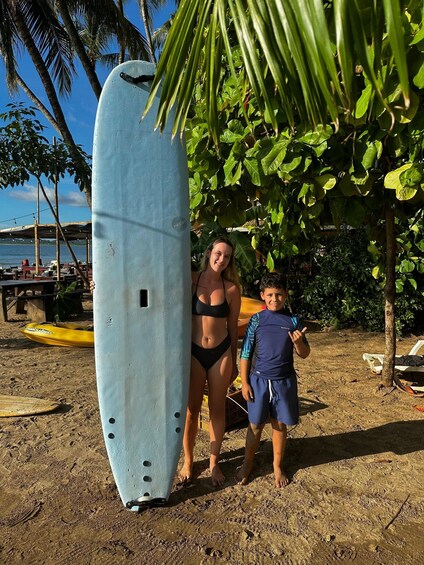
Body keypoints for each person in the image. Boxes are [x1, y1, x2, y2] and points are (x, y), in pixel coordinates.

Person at [236, 271, 310, 488]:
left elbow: (304, 354)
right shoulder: (257, 320)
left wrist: (298, 343)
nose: (274, 299)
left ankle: (277, 465)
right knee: (256, 425)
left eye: (278, 295)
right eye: (269, 295)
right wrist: (245, 382)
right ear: (262, 295)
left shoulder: (293, 320)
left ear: (285, 296)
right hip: (258, 381)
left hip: (284, 381)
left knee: (279, 424)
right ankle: (247, 463)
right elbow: (246, 352)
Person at [179, 236, 241, 487]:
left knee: (217, 410)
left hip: (221, 353)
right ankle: (188, 461)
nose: (221, 259)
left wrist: (234, 361)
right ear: (208, 253)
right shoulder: (191, 279)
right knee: (191, 411)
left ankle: (214, 462)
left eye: (226, 256)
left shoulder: (232, 289)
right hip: (193, 352)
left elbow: (233, 328)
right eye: (218, 253)